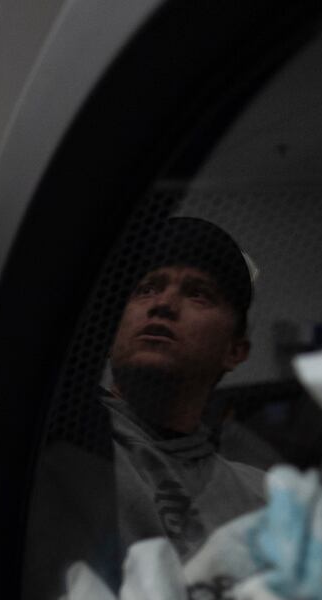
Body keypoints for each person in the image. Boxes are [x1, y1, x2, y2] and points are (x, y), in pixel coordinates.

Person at [103, 216, 267, 559]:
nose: (162, 304)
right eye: (146, 289)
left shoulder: (264, 501)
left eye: (198, 294)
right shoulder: (62, 435)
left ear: (235, 351)